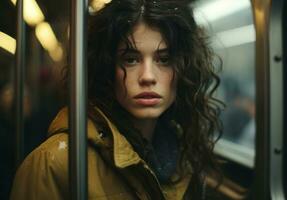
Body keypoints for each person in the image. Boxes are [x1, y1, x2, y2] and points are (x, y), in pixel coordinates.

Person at [10, 0, 223, 199]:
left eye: (164, 60)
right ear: (106, 69)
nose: (147, 76)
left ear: (184, 70)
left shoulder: (184, 157)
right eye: (130, 60)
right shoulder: (54, 165)